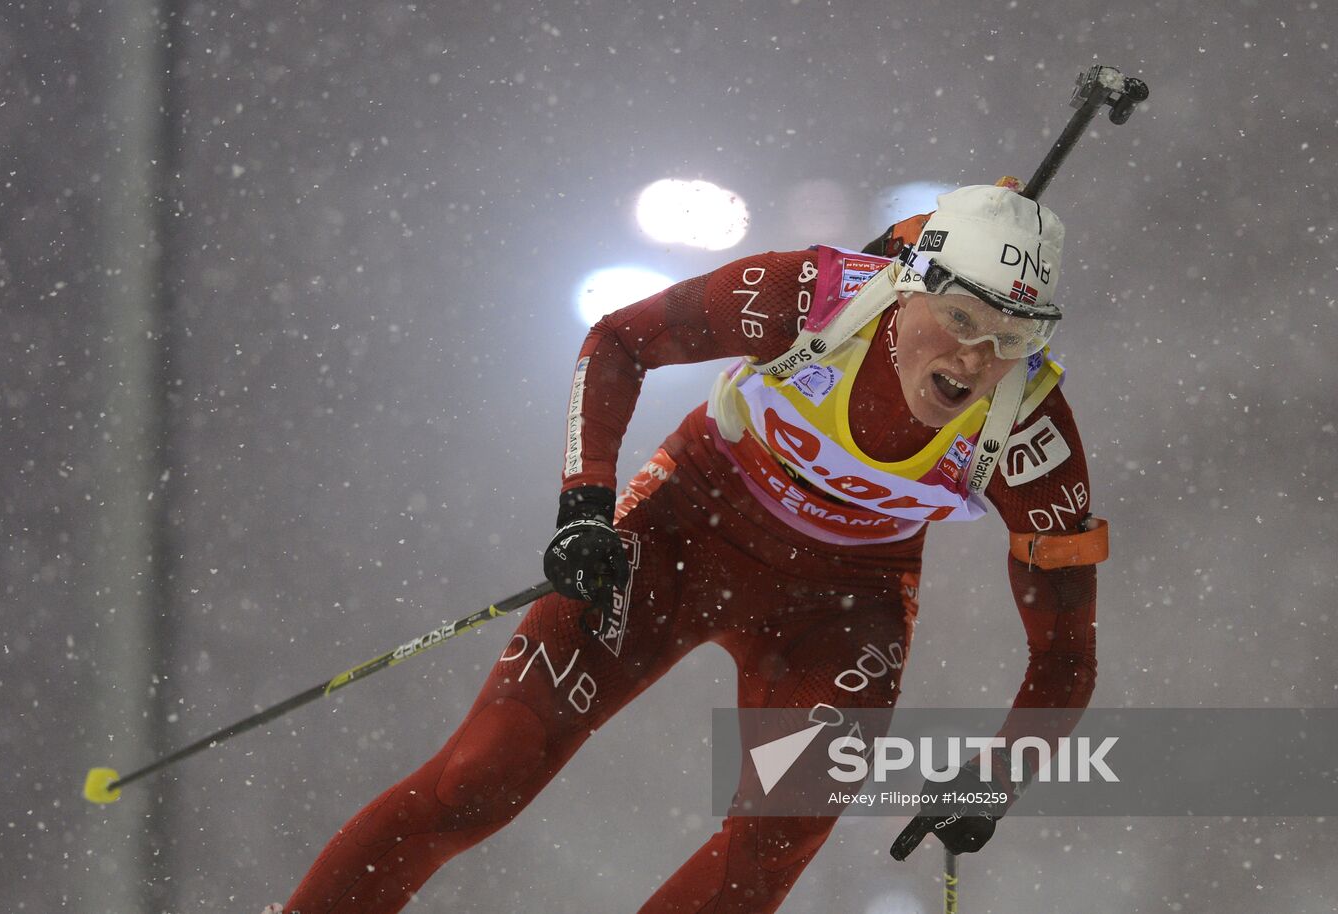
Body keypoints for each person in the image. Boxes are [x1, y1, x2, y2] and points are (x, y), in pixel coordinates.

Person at [270, 181, 1107, 914]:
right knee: (477, 781)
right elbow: (619, 339)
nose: (974, 356)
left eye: (1011, 337)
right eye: (960, 319)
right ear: (906, 287)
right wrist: (586, 509)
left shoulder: (1032, 430)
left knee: (769, 854)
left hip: (844, 607)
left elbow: (1065, 659)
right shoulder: (811, 295)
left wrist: (996, 780)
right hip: (683, 531)